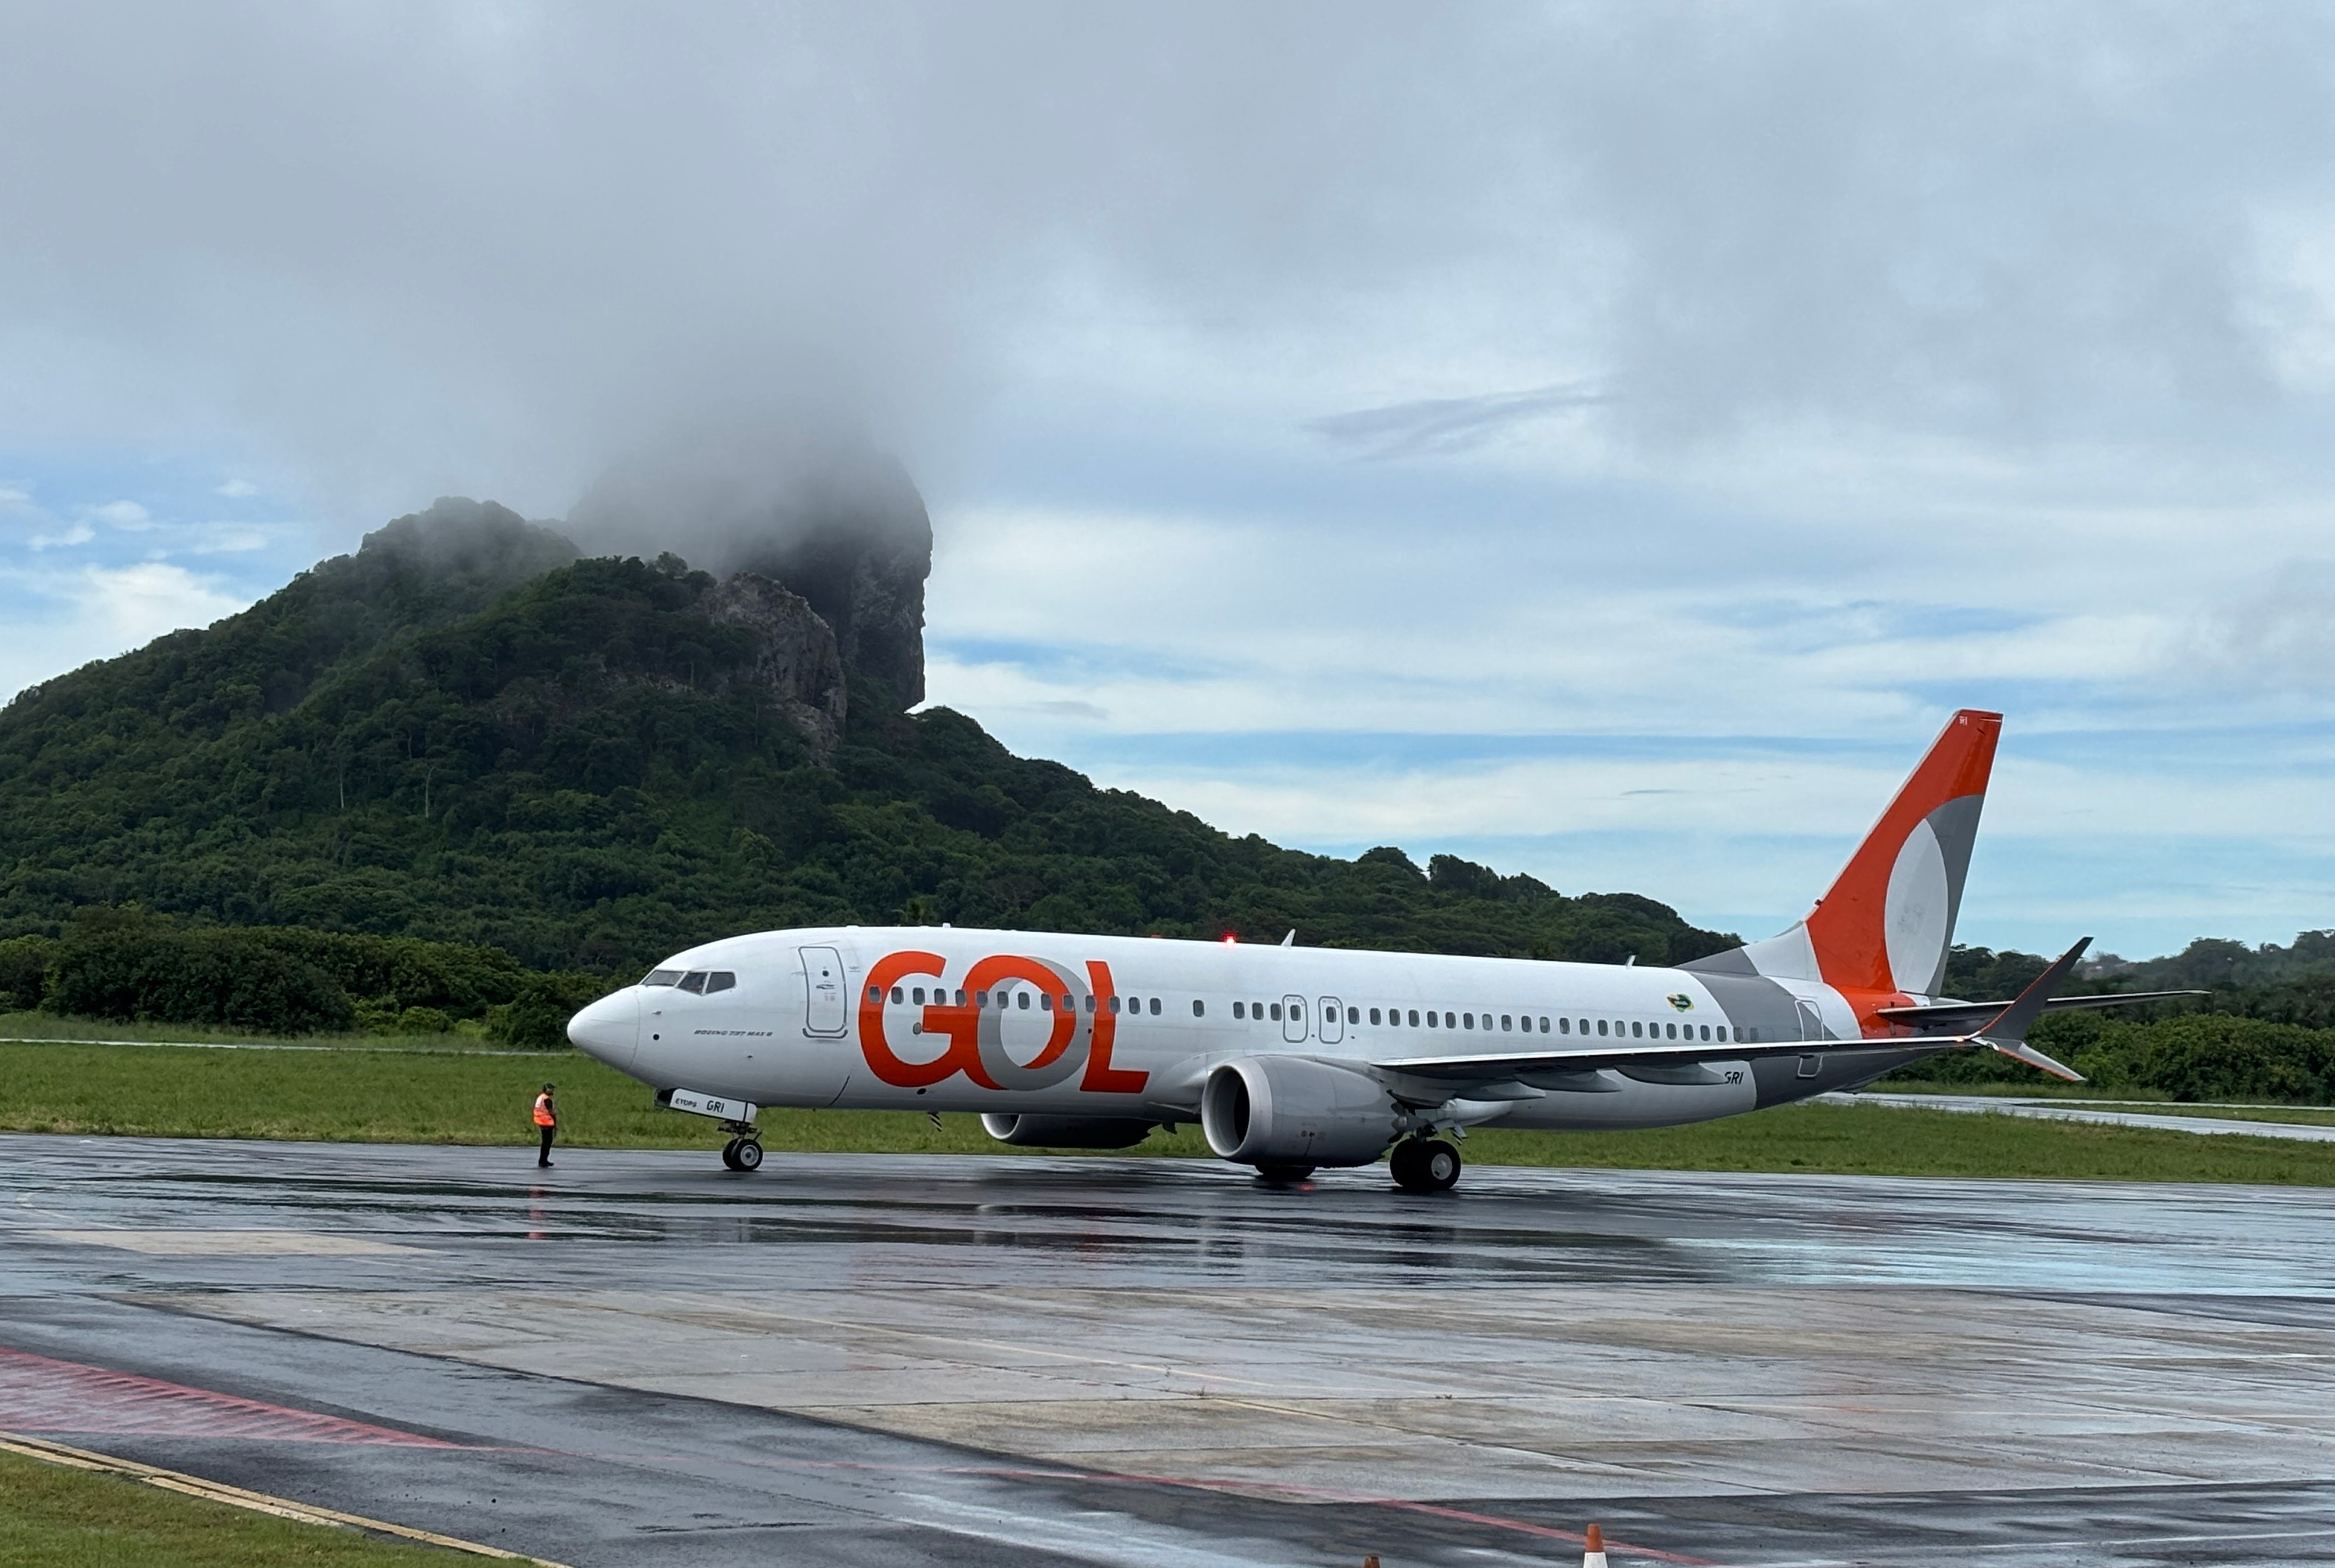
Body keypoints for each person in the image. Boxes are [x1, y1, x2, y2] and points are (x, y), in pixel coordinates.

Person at [532, 1082, 557, 1167]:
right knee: (547, 1142)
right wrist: (555, 1120)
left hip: (541, 1121)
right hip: (547, 1122)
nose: (553, 1091)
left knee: (545, 1142)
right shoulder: (547, 1099)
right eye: (551, 1089)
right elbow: (551, 1111)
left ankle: (543, 1160)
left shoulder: (541, 1097)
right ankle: (543, 1161)